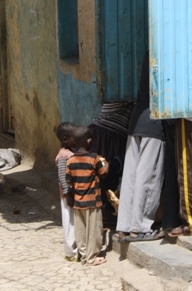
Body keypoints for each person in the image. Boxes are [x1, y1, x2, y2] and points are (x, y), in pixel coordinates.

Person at [117, 52, 166, 242]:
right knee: (148, 176)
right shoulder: (167, 54)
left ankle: (124, 227)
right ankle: (141, 227)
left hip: (137, 119)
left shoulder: (149, 52)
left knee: (130, 176)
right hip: (154, 121)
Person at [65, 125, 108, 266]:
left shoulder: (70, 161)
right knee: (94, 230)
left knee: (81, 231)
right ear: (89, 141)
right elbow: (103, 174)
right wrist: (106, 163)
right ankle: (92, 257)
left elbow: (68, 181)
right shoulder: (94, 158)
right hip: (93, 201)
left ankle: (83, 255)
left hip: (78, 201)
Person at [54, 122, 77, 262]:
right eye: (74, 137)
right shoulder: (64, 155)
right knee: (69, 222)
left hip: (71, 193)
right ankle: (71, 251)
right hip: (67, 194)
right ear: (65, 139)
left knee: (73, 221)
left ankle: (75, 248)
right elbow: (63, 177)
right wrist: (68, 193)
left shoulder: (70, 153)